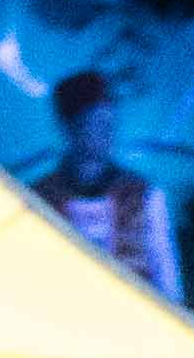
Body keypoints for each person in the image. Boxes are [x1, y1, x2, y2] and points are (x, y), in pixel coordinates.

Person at [38, 70, 186, 302]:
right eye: (96, 122)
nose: (107, 132)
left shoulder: (145, 195)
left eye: (110, 121)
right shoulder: (39, 199)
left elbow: (168, 280)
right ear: (69, 127)